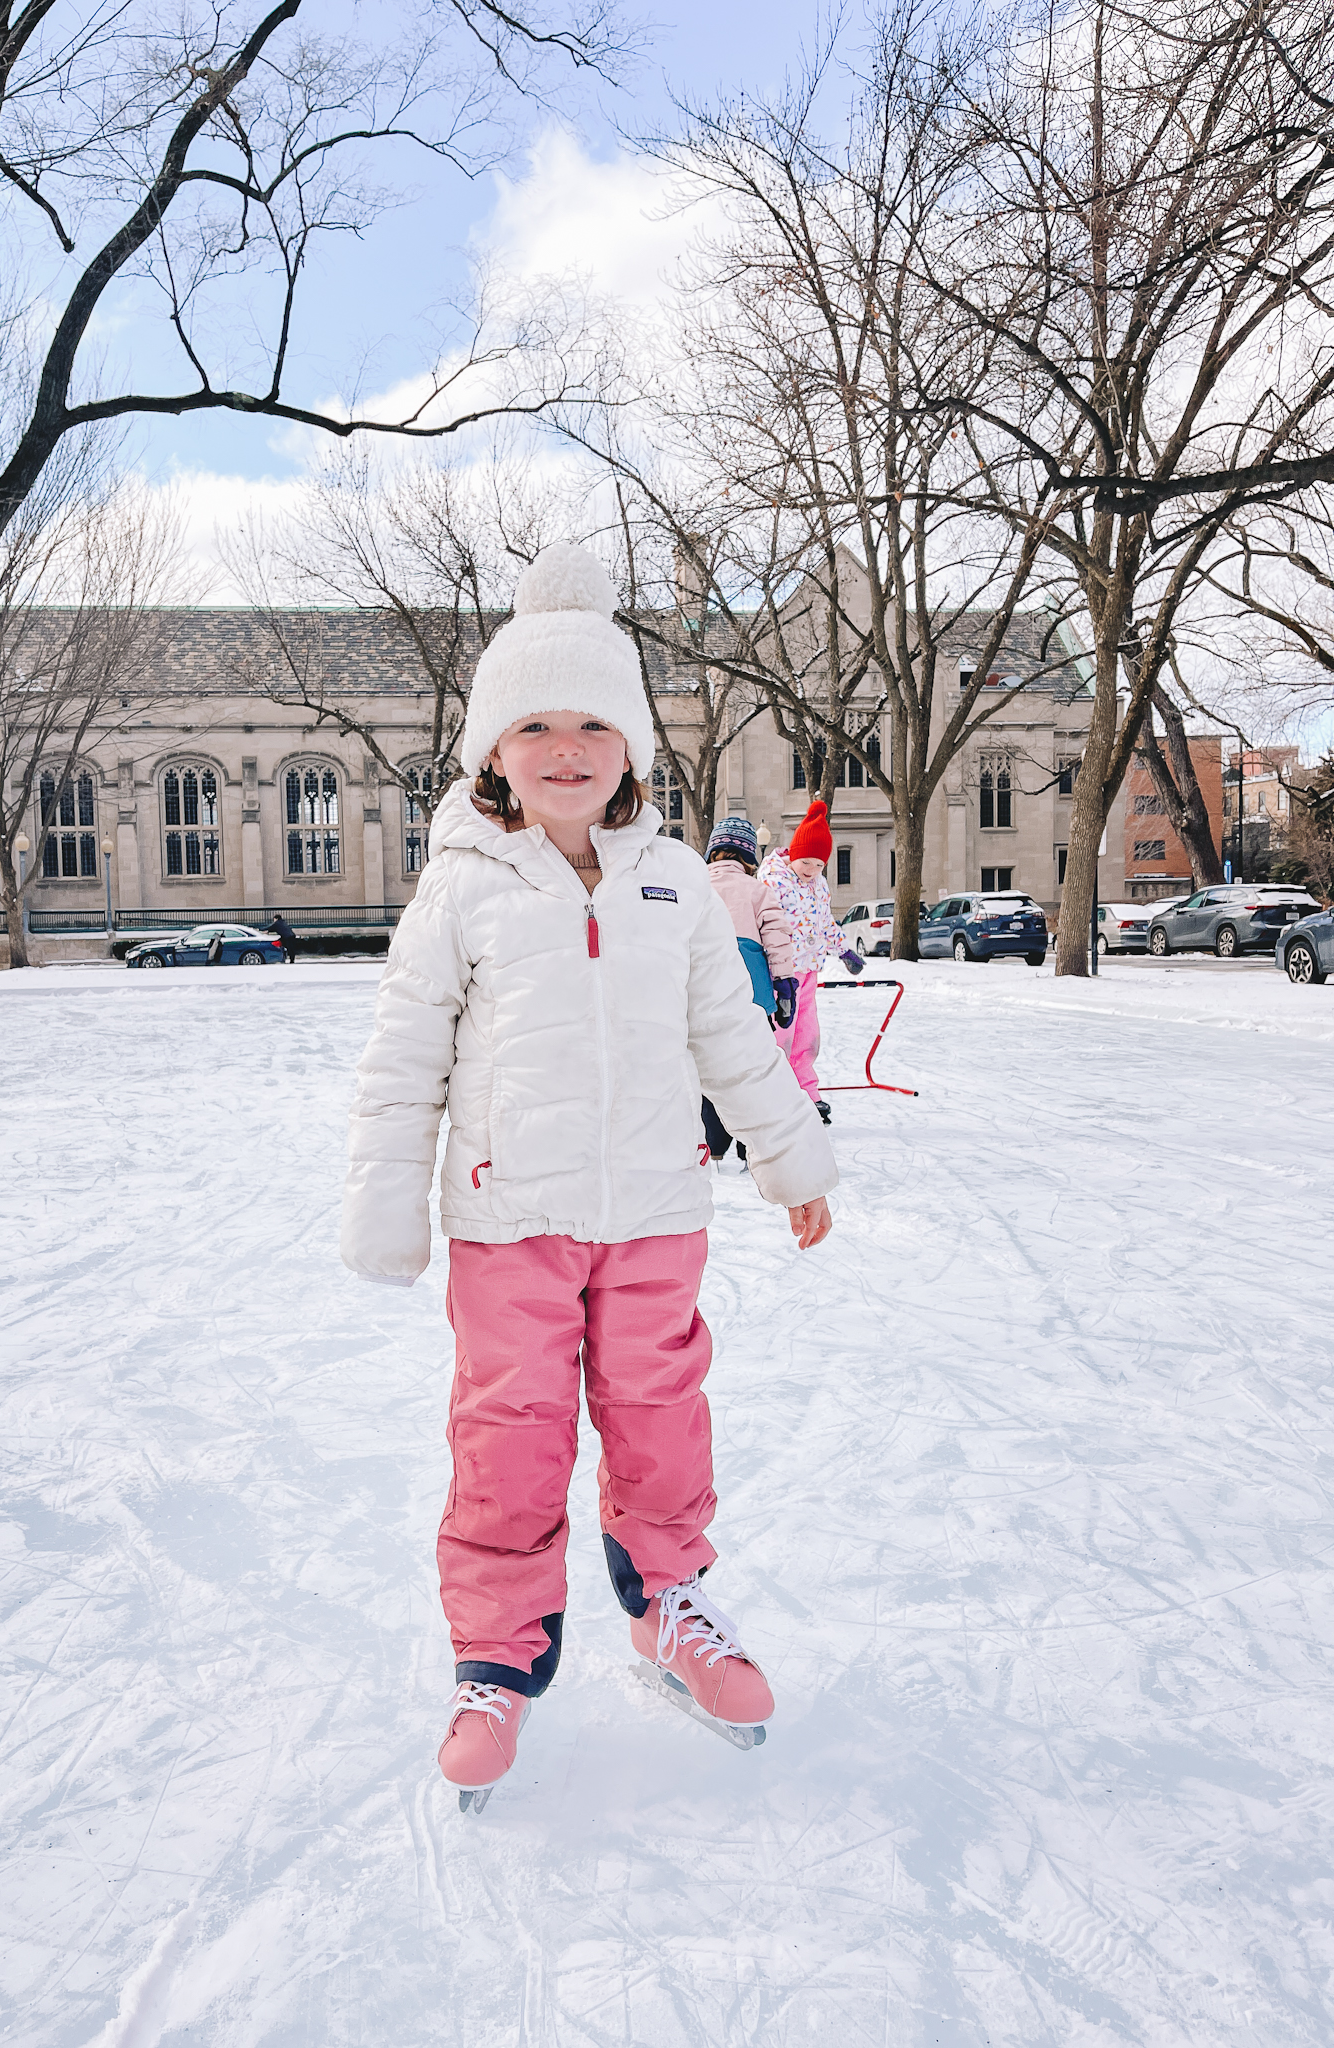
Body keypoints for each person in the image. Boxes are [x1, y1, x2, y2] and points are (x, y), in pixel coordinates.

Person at [341, 543, 838, 1805]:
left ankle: (670, 1604)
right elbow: (404, 1060)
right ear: (491, 750)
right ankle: (495, 1660)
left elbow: (733, 1031)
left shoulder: (675, 881)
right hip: (511, 1217)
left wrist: (788, 1153)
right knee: (506, 1433)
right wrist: (390, 1205)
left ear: (633, 746)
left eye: (594, 723)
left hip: (659, 1209)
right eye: (536, 725)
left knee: (663, 1415)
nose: (567, 748)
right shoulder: (459, 888)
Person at [700, 815, 800, 1169]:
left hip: (705, 995)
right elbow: (777, 939)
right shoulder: (759, 890)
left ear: (712, 854)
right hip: (753, 996)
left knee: (706, 1070)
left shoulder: (694, 886)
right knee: (751, 1069)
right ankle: (749, 1147)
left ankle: (713, 1145)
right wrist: (785, 986)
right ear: (749, 858)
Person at [757, 802, 866, 1119]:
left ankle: (807, 1093)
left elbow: (825, 923)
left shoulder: (818, 885)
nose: (811, 870)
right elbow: (762, 924)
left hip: (809, 971)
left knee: (807, 1036)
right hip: (780, 973)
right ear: (793, 853)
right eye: (806, 862)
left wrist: (843, 950)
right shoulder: (772, 882)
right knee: (780, 1036)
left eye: (819, 865)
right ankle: (773, 1096)